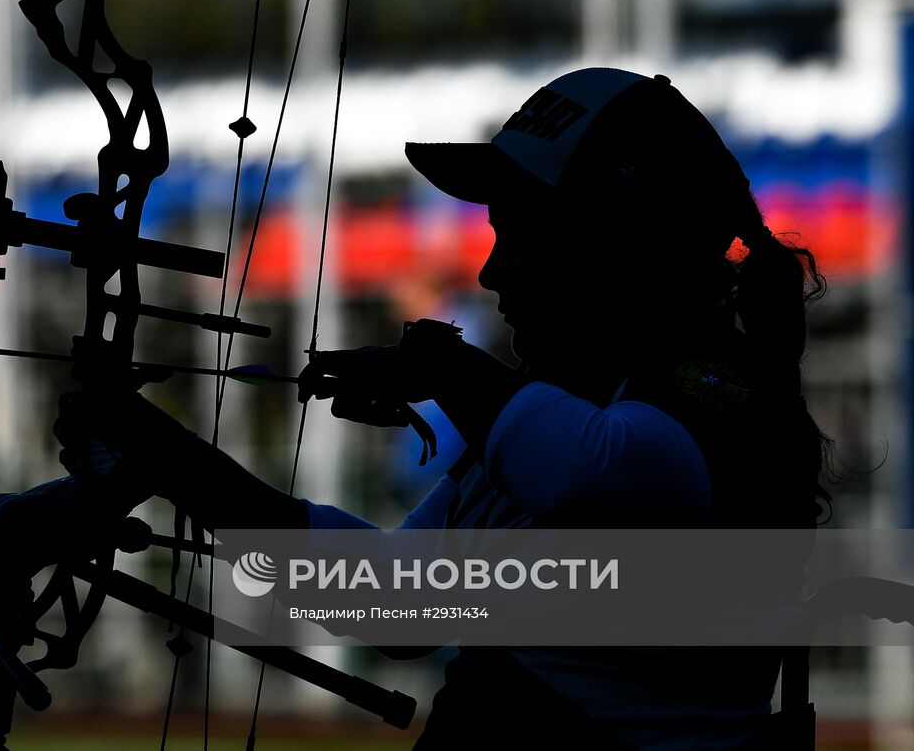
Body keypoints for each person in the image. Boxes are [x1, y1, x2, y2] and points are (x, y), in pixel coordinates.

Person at [55, 68, 831, 749]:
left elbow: (598, 471)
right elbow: (398, 603)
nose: (493, 272)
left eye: (521, 238)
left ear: (611, 248)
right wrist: (169, 459)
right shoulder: (553, 411)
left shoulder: (723, 396)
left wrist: (439, 362)